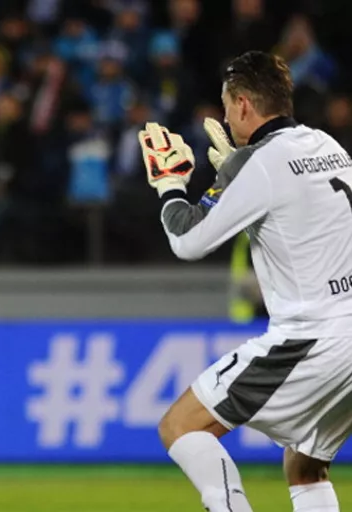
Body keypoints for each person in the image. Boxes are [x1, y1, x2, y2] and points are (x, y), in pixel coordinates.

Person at [138, 50, 352, 512]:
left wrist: (170, 185)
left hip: (312, 337)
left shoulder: (257, 164)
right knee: (305, 465)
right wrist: (236, 172)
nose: (225, 118)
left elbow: (188, 241)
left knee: (181, 426)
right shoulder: (327, 146)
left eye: (226, 106)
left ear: (242, 105)